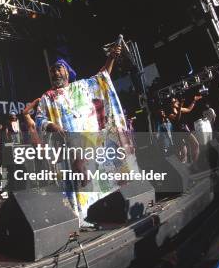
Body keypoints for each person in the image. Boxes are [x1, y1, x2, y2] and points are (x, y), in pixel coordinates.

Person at [34, 43, 140, 227]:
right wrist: (52, 125)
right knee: (77, 179)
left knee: (96, 178)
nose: (55, 73)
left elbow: (102, 77)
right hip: (68, 147)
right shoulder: (47, 97)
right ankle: (79, 216)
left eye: (58, 69)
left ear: (67, 71)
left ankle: (100, 210)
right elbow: (39, 119)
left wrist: (112, 57)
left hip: (91, 144)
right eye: (52, 71)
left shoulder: (81, 87)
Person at [168, 95, 201, 164]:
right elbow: (177, 119)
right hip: (177, 132)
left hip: (184, 130)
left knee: (196, 144)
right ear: (171, 104)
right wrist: (180, 107)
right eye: (174, 101)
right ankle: (182, 166)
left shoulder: (178, 109)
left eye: (176, 101)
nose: (176, 102)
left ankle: (194, 164)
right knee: (184, 152)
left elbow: (189, 109)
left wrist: (194, 101)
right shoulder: (170, 113)